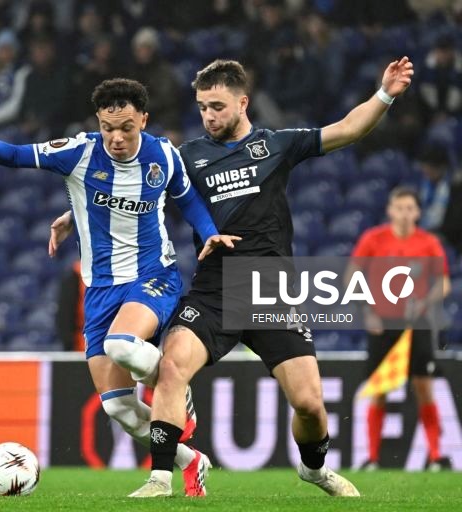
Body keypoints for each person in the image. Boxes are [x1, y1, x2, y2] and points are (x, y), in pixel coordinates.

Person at [127, 56, 413, 497]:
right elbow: (132, 190)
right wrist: (73, 216)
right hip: (214, 289)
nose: (208, 115)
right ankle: (161, 477)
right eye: (202, 106)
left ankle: (314, 470)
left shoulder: (276, 145)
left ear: (243, 102)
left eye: (217, 106)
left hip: (269, 292)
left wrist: (384, 94)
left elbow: (348, 129)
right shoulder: (186, 158)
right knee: (172, 366)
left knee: (309, 404)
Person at [0, 78, 238, 497]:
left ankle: (176, 388)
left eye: (126, 127)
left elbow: (187, 199)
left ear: (143, 120)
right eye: (108, 127)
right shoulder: (80, 152)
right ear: (98, 122)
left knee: (123, 345)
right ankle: (191, 460)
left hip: (153, 276)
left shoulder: (163, 154)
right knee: (120, 410)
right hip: (99, 289)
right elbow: (22, 155)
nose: (116, 137)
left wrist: (210, 232)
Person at [350, 186, 451, 471]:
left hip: (416, 324)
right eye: (400, 208)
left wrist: (424, 303)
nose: (405, 214)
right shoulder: (373, 239)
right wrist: (367, 311)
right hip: (383, 324)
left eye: (410, 208)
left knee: (424, 387)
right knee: (379, 389)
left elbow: (443, 283)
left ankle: (435, 456)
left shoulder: (428, 242)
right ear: (390, 210)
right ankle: (372, 458)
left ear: (418, 212)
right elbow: (352, 276)